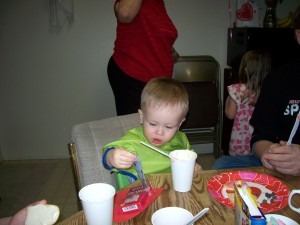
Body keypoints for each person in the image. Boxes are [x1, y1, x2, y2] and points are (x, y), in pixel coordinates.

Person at [212, 7, 300, 174]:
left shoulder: (241, 89)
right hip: (261, 158)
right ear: (298, 35)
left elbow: (229, 114)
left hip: (241, 146)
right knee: (220, 165)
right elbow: (260, 137)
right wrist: (270, 154)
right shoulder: (276, 80)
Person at [102, 77, 201, 190]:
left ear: (179, 124)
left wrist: (194, 166)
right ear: (141, 117)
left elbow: (190, 157)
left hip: (172, 191)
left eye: (168, 126)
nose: (159, 132)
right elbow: (108, 152)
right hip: (141, 196)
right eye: (153, 124)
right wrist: (112, 156)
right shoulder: (134, 140)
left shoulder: (181, 139)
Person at [107, 0, 178, 116]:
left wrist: (169, 51)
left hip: (156, 83)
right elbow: (125, 13)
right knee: (139, 129)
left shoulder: (158, 3)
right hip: (134, 75)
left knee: (157, 127)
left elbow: (152, 35)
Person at [225, 50, 271, 156]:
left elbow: (230, 114)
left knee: (239, 167)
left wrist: (229, 98)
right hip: (260, 141)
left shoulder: (236, 90)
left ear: (245, 70)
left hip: (240, 141)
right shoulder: (267, 91)